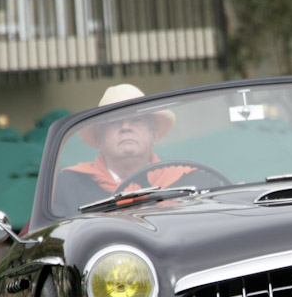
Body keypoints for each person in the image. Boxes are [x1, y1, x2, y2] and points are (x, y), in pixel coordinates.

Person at [55, 84, 200, 212]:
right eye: (114, 122)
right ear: (99, 139)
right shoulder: (68, 186)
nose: (125, 127)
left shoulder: (189, 180)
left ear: (154, 135)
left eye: (136, 120)